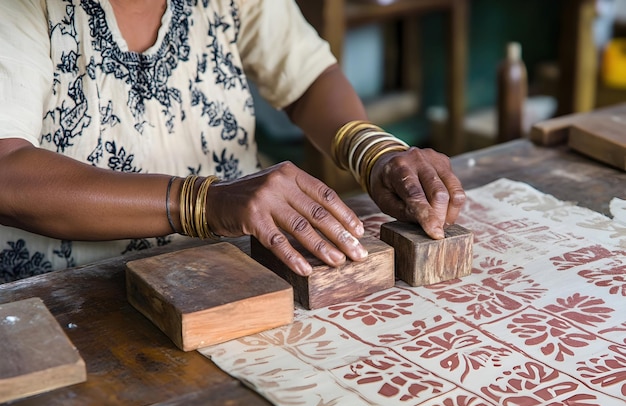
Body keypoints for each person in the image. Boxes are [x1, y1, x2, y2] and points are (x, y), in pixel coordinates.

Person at [0, 0, 466, 283]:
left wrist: (373, 150)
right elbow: (8, 174)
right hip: (63, 295)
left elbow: (306, 78)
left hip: (224, 270)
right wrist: (204, 202)